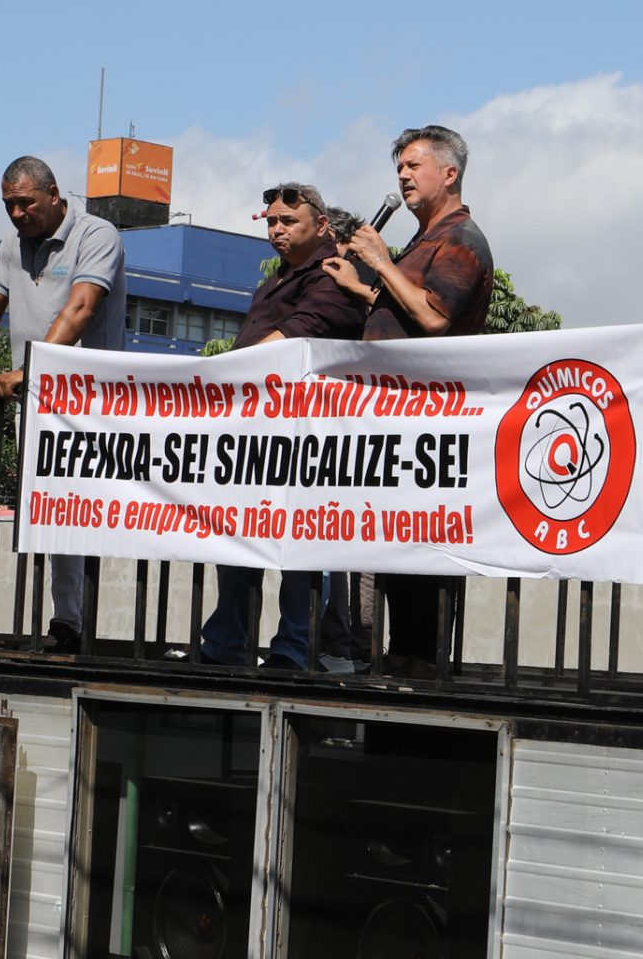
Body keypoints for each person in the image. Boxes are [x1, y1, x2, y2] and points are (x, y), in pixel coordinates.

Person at [0, 156, 127, 653]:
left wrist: (35, 366)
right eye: (9, 205)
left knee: (82, 506)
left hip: (89, 399)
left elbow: (82, 306)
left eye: (26, 203)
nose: (17, 214)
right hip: (33, 396)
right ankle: (66, 621)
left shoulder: (96, 233)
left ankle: (77, 621)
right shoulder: (13, 244)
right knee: (47, 506)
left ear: (54, 194)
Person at [325, 124, 493, 678]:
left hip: (427, 426)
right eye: (399, 166)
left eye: (414, 165)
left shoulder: (461, 240)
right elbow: (407, 312)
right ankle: (401, 660)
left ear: (450, 173)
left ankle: (418, 667)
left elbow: (434, 318)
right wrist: (364, 289)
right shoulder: (425, 240)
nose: (403, 175)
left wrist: (379, 256)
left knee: (419, 562)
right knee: (397, 558)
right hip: (396, 422)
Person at [198, 183, 367, 671]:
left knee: (300, 546)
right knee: (237, 540)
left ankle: (293, 649)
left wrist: (221, 371)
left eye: (288, 221)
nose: (276, 230)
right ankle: (228, 641)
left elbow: (295, 336)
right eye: (271, 221)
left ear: (322, 225)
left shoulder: (335, 274)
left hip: (310, 436)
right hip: (257, 434)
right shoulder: (273, 281)